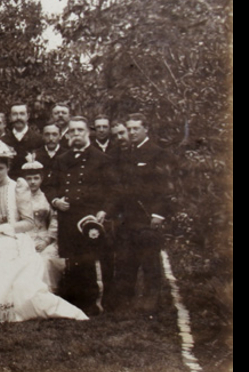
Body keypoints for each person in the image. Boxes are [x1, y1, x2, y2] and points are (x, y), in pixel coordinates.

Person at [0, 140, 87, 323]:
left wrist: (1, 228)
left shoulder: (17, 187)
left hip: (13, 239)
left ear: (8, 168)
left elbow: (28, 223)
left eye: (0, 168)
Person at [49, 116, 116, 316]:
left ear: (88, 132)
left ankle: (94, 302)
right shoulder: (61, 159)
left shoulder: (102, 159)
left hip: (90, 218)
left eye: (80, 130)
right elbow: (50, 186)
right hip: (67, 217)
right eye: (72, 131)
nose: (76, 134)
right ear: (68, 134)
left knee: (89, 259)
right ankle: (74, 301)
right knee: (72, 260)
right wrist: (56, 201)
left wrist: (104, 210)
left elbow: (113, 190)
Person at [113, 113, 174, 312]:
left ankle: (152, 301)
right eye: (129, 129)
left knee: (150, 262)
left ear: (146, 129)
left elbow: (165, 187)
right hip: (128, 217)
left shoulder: (157, 153)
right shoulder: (126, 153)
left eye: (135, 128)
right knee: (127, 260)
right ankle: (126, 301)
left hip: (147, 217)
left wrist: (158, 214)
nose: (131, 132)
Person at [21, 159, 64, 293]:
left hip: (46, 239)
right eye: (29, 179)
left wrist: (47, 241)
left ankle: (47, 294)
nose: (32, 182)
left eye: (36, 178)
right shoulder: (18, 198)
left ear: (42, 179)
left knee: (45, 261)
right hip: (25, 239)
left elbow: (54, 219)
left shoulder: (47, 197)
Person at [3, 102, 43, 174]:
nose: (18, 117)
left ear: (28, 116)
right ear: (10, 117)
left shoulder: (38, 139)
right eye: (15, 114)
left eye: (22, 114)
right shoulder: (4, 140)